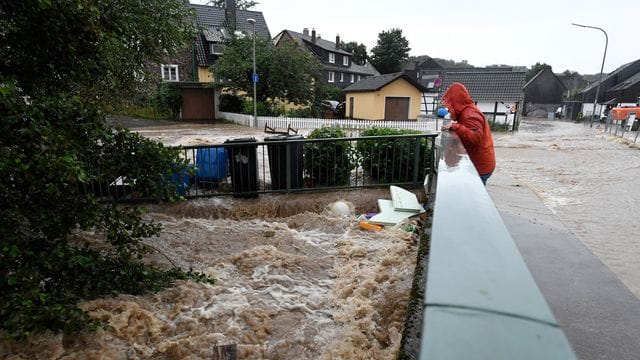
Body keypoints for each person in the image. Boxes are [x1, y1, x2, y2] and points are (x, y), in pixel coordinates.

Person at [441, 82, 496, 185]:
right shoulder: (466, 112)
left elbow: (475, 138)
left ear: (455, 102)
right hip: (482, 163)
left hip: (480, 166)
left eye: (450, 104)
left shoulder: (470, 115)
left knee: (476, 197)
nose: (448, 109)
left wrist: (455, 126)